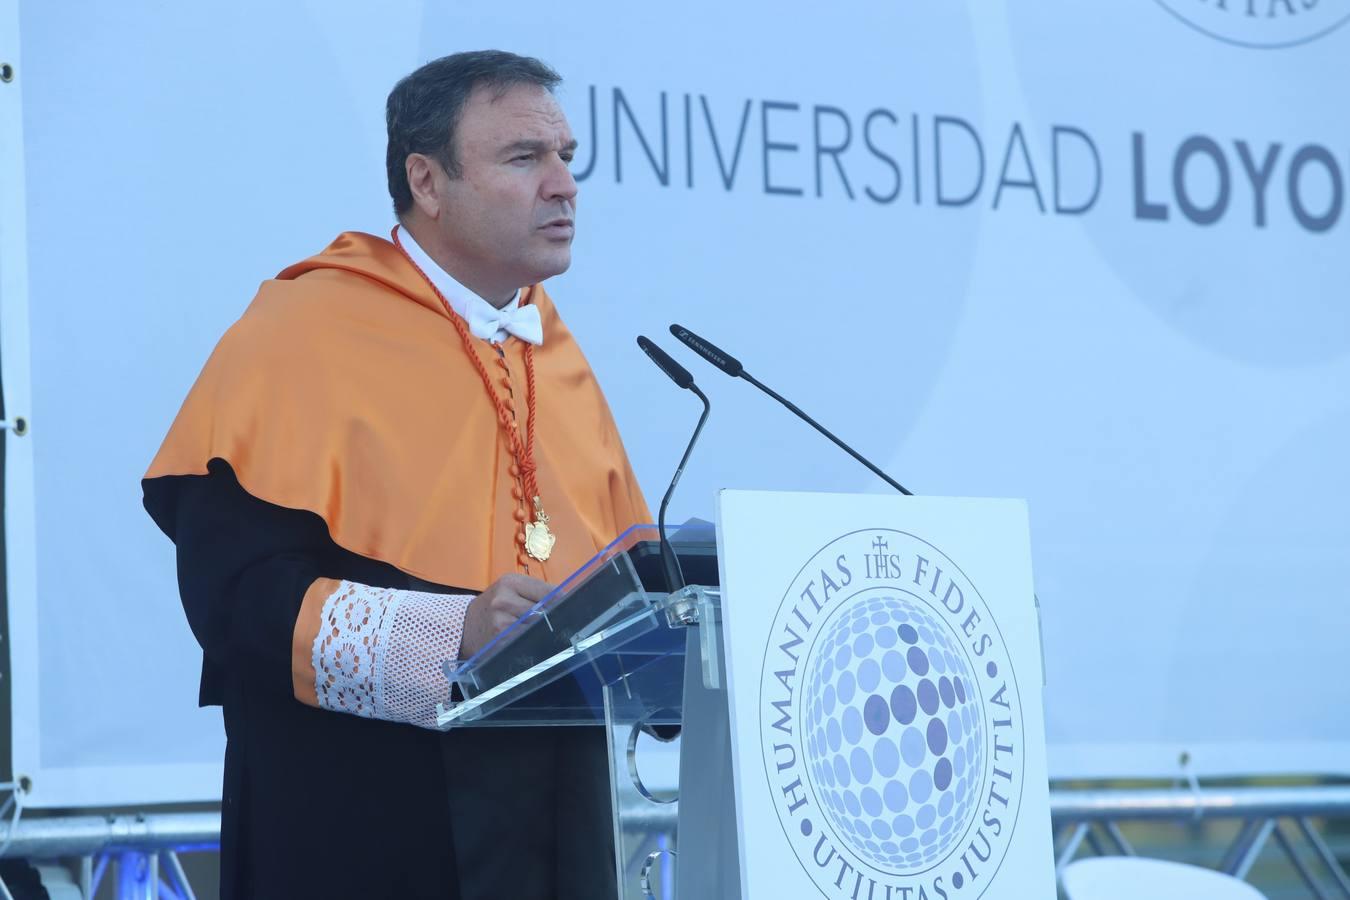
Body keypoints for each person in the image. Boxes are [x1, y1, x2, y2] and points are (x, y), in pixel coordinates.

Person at [141, 50, 651, 899]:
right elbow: (235, 599)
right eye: (526, 158)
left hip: (553, 827)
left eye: (568, 157)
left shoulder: (551, 352)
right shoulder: (303, 329)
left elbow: (624, 588)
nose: (565, 184)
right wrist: (450, 634)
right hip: (363, 819)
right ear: (427, 179)